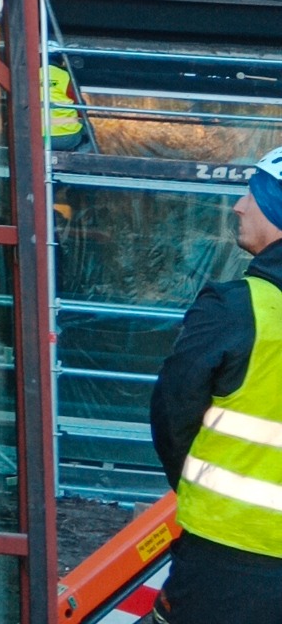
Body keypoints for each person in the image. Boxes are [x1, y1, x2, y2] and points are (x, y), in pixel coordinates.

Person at [149, 146, 282, 623]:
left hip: (232, 557)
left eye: (257, 195)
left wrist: (200, 483)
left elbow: (173, 413)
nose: (239, 206)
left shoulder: (237, 309)